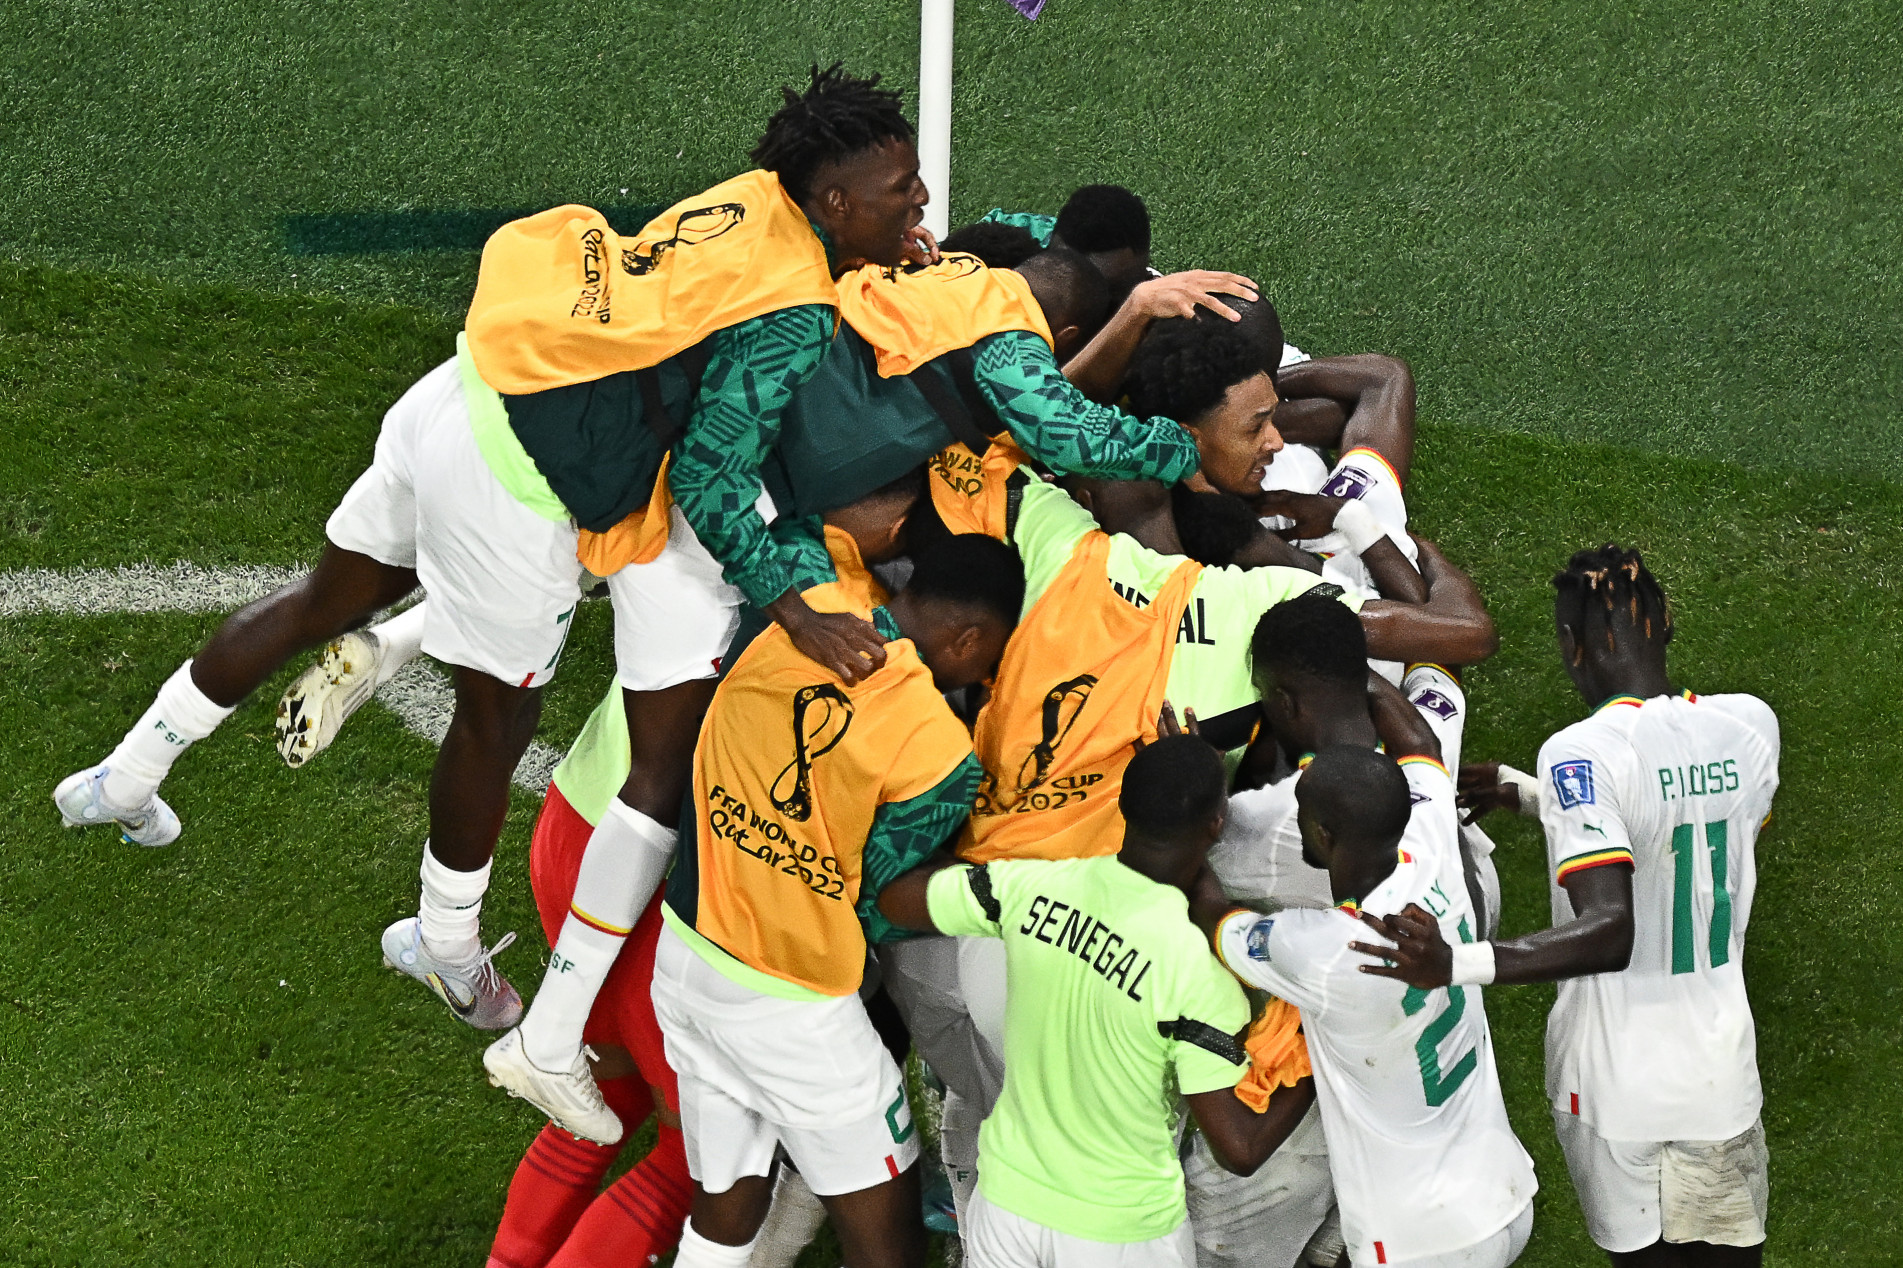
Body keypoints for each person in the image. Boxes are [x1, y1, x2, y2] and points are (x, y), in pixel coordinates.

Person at [56, 63, 927, 1035]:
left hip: (466, 386)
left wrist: (873, 259)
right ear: (835, 201)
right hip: (516, 489)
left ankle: (123, 777)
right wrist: (793, 604)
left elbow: (720, 303)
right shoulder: (794, 311)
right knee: (492, 721)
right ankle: (447, 942)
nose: (921, 198)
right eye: (903, 190)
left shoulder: (757, 197)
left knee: (320, 599)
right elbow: (710, 482)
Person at [481, 478, 929, 1267]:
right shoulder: (859, 642)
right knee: (694, 1167)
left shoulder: (751, 526)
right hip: (667, 890)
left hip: (581, 823)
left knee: (603, 1088)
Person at [1359, 545, 1779, 1267]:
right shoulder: (1748, 726)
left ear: (1568, 645)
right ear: (1665, 624)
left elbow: (1610, 929)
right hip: (1717, 1081)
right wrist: (1531, 795)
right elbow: (1678, 825)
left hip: (1612, 1089)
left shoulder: (1578, 753)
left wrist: (1454, 961)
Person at [652, 532, 1023, 1268]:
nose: (988, 673)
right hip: (792, 1006)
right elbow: (880, 904)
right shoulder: (939, 755)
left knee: (727, 1204)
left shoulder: (800, 611)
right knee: (887, 1237)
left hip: (685, 957)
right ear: (970, 636)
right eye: (994, 656)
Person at [877, 737, 1317, 1268]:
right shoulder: (1199, 976)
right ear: (1217, 824)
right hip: (1122, 1231)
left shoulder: (1032, 886)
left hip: (1007, 1204)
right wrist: (1315, 1046)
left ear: (1123, 805)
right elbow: (1239, 1148)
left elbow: (897, 899)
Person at [1185, 592, 1487, 1268]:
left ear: (1286, 702)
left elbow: (1196, 879)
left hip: (1341, 1106)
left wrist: (1188, 776)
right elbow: (1420, 730)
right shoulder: (1429, 804)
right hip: (1431, 1103)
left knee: (1217, 1234)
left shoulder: (1273, 829)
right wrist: (1347, 665)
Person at [1197, 746, 1538, 1267]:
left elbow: (1213, 916)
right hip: (1504, 1192)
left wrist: (1195, 808)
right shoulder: (1433, 848)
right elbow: (1421, 741)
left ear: (1323, 837)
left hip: (1424, 1241)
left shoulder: (1321, 949)